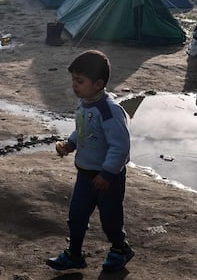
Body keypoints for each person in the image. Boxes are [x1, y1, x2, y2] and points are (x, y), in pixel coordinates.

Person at [46, 49, 134, 272]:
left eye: (80, 81)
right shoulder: (84, 103)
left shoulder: (109, 111)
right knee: (76, 215)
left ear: (98, 84)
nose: (74, 85)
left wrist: (107, 174)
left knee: (110, 218)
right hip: (85, 174)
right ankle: (74, 255)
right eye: (73, 80)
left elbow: (120, 146)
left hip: (108, 178)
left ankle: (119, 248)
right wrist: (71, 144)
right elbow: (83, 130)